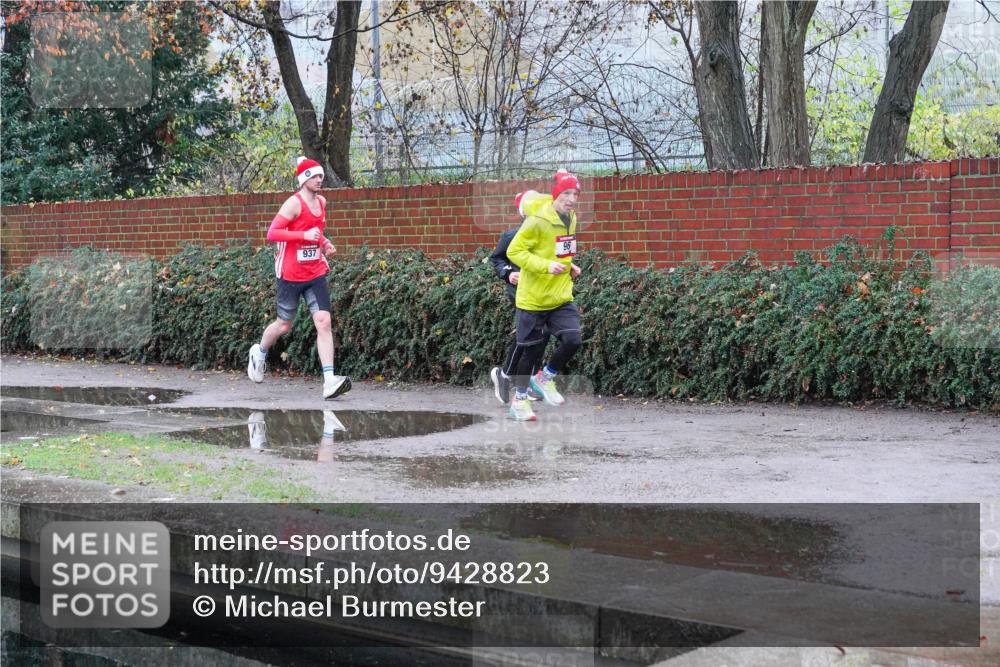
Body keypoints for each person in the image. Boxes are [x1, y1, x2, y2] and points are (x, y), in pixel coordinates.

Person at [247, 157, 351, 399]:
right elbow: (272, 233)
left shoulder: (322, 202)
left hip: (315, 273)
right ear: (304, 179)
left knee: (324, 322)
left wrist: (325, 243)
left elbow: (317, 232)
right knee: (284, 324)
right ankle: (259, 353)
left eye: (321, 177)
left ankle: (329, 381)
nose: (319, 180)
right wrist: (304, 234)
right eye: (315, 176)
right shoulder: (293, 204)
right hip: (290, 274)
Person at [505, 171, 584, 421]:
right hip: (534, 299)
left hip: (560, 295)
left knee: (573, 340)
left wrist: (569, 265)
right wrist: (545, 266)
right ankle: (519, 399)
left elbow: (561, 248)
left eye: (575, 194)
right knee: (531, 351)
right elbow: (514, 251)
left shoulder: (570, 217)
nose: (571, 199)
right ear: (556, 194)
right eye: (566, 193)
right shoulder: (537, 220)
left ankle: (545, 377)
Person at [489, 190, 549, 404]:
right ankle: (513, 378)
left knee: (540, 334)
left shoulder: (546, 235)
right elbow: (496, 259)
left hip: (543, 291)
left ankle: (514, 377)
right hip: (521, 292)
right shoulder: (511, 236)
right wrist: (508, 273)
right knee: (533, 332)